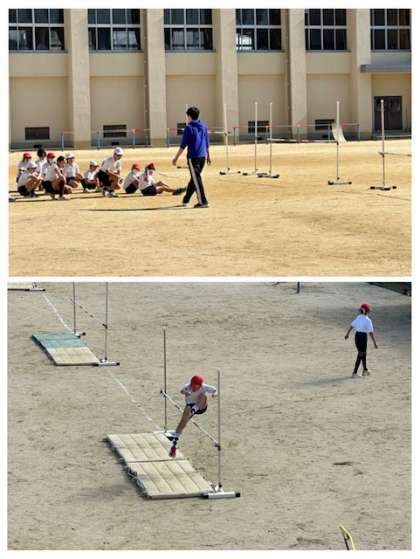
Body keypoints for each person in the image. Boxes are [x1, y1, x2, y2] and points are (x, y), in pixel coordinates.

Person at [167, 375, 217, 458]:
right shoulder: (187, 386)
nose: (195, 389)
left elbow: (215, 390)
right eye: (193, 387)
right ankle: (174, 446)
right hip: (190, 406)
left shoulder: (204, 387)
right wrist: (186, 392)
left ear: (200, 385)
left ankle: (193, 411)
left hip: (201, 406)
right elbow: (182, 391)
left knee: (203, 396)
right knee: (182, 422)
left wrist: (215, 394)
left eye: (197, 387)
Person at [172, 106, 211, 208]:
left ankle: (203, 201)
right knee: (194, 179)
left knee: (196, 179)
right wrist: (208, 155)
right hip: (203, 156)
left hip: (193, 158)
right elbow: (207, 141)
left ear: (189, 116)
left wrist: (176, 158)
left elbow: (183, 145)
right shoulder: (203, 125)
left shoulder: (188, 128)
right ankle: (186, 200)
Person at [344, 303, 378, 377]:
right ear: (367, 311)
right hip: (363, 337)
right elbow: (371, 332)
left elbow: (352, 326)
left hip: (357, 336)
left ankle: (365, 370)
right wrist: (374, 343)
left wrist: (347, 334)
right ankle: (354, 373)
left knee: (363, 353)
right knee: (361, 354)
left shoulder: (358, 317)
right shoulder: (368, 320)